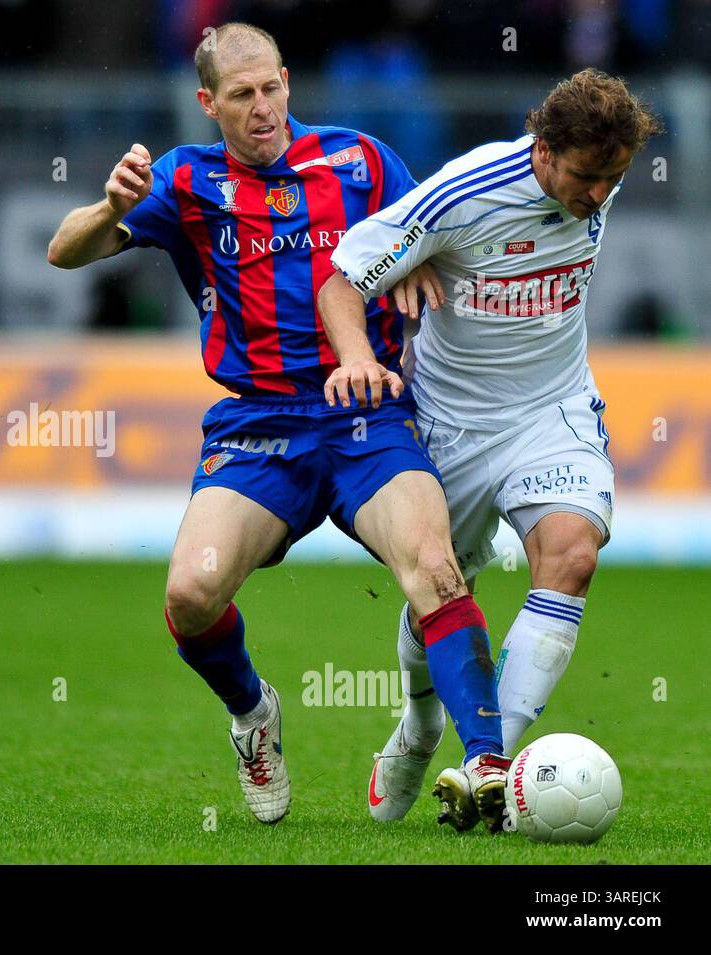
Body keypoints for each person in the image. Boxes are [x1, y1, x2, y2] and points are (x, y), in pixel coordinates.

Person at [48, 22, 508, 830]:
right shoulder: (185, 179)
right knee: (191, 594)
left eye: (272, 89)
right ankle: (253, 713)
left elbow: (432, 223)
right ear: (207, 103)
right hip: (256, 426)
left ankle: (488, 767)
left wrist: (427, 257)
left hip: (365, 416)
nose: (262, 110)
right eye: (241, 96)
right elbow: (65, 251)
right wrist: (110, 205)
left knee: (435, 569)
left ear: (288, 81)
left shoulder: (361, 161)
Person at [322, 68, 662, 829]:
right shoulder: (462, 193)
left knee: (572, 554)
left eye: (613, 179)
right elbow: (343, 281)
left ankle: (490, 768)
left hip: (554, 409)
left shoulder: (597, 172)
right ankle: (418, 722)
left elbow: (592, 186)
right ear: (543, 149)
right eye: (585, 178)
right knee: (439, 586)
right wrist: (357, 353)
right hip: (453, 423)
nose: (599, 195)